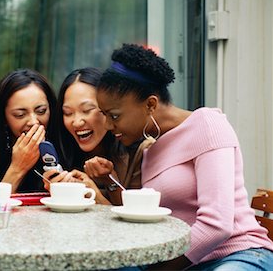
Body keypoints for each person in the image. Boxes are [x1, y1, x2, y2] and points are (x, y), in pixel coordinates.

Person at [96, 43, 273, 270]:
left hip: (237, 255)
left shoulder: (208, 124)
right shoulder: (150, 150)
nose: (109, 125)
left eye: (114, 115)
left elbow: (217, 225)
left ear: (150, 104)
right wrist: (108, 182)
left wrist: (160, 269)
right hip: (184, 262)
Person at [44, 67, 154, 205]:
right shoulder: (58, 153)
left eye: (87, 110)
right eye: (67, 113)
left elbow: (137, 220)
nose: (77, 122)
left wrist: (96, 193)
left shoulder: (141, 150)